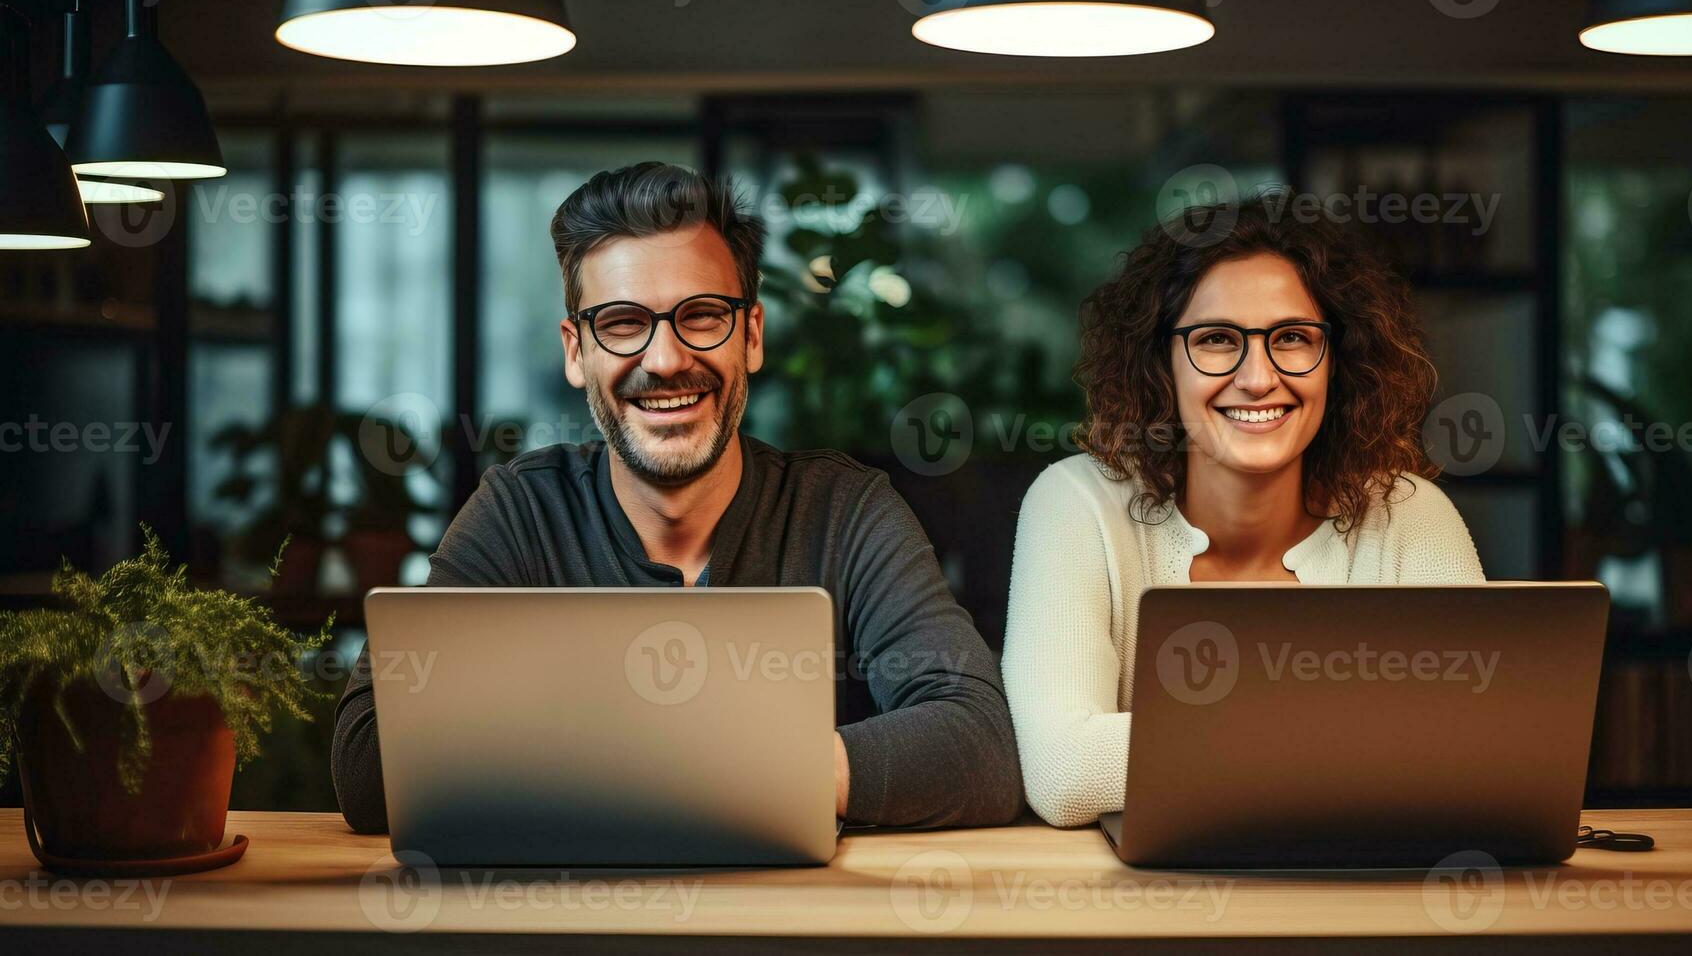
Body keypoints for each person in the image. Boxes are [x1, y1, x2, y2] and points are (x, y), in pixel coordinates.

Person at [331, 162, 1022, 833]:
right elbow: (370, 762)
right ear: (577, 352)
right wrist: (726, 770)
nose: (664, 360)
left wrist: (640, 766)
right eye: (624, 323)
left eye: (699, 316)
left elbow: (979, 744)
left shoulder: (846, 512)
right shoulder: (520, 514)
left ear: (750, 335)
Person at [1002, 193, 1485, 827]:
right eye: (1216, 339)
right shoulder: (1077, 503)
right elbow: (1064, 772)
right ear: (1161, 365)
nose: (1257, 377)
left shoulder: (1409, 515)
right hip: (1142, 912)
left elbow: (1475, 755)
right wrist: (1370, 741)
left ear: (1338, 362)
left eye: (1291, 338)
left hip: (1366, 899)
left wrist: (1199, 749)